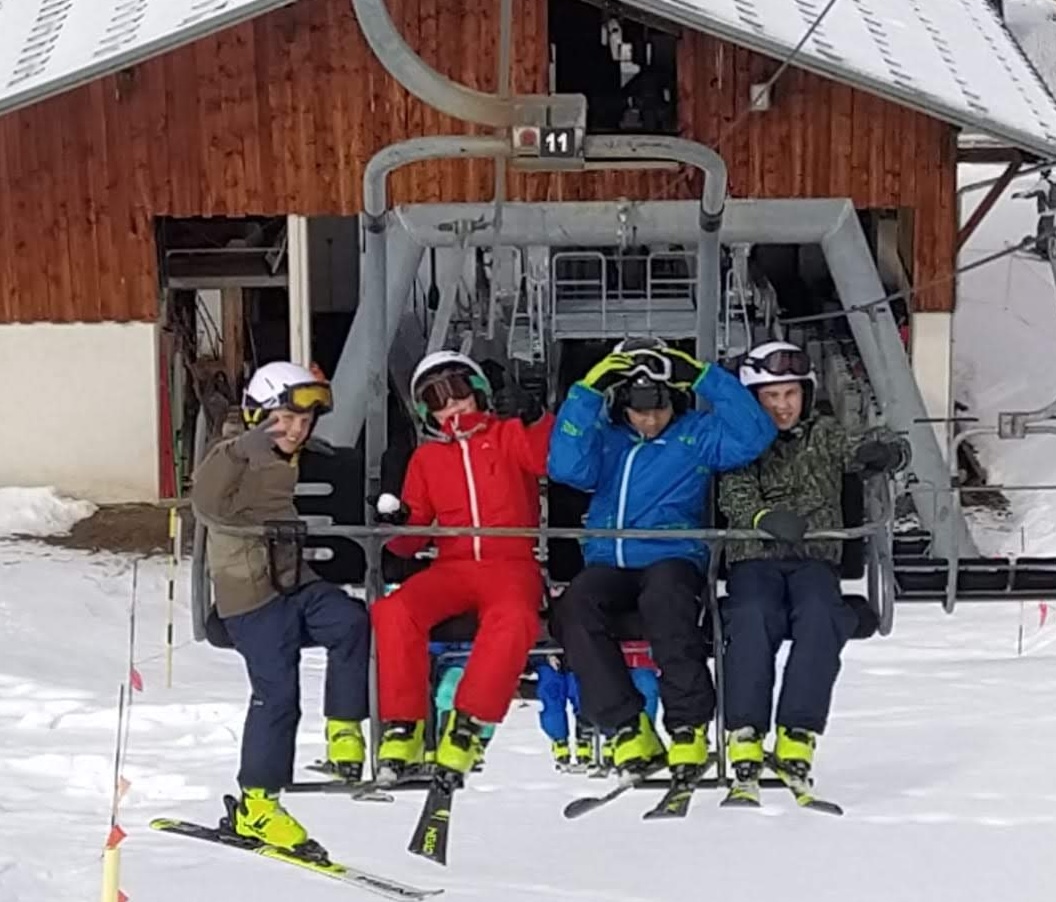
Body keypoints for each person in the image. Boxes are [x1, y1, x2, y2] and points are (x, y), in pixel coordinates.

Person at [547, 337, 777, 778]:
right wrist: (588, 390)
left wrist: (703, 376)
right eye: (639, 411)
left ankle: (689, 725)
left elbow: (754, 435)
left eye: (659, 408)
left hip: (671, 555)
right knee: (574, 607)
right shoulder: (607, 440)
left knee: (666, 604)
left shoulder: (695, 436)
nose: (650, 420)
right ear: (622, 406)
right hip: (609, 560)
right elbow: (566, 467)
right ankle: (626, 726)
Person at [191, 361, 370, 857]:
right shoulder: (233, 452)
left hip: (293, 582)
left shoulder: (284, 452)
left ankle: (344, 730)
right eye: (285, 419)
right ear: (257, 415)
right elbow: (205, 502)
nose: (295, 430)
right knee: (278, 692)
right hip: (249, 597)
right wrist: (242, 448)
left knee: (350, 621)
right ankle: (258, 804)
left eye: (304, 422)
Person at [718, 340, 910, 794]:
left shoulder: (823, 435)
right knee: (752, 616)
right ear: (755, 400)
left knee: (824, 615)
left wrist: (887, 453)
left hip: (814, 559)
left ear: (805, 394)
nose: (783, 406)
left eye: (790, 394)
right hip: (756, 557)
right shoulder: (741, 440)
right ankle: (744, 732)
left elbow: (874, 444)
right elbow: (733, 493)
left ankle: (797, 733)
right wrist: (763, 519)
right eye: (771, 396)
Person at [370, 351, 554, 786]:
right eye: (437, 400)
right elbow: (411, 542)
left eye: (458, 392)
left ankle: (470, 721)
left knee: (513, 618)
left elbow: (548, 460)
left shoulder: (508, 436)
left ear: (479, 393)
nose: (452, 406)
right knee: (394, 610)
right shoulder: (427, 459)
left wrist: (534, 418)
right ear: (427, 413)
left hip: (510, 562)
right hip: (452, 567)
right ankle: (404, 724)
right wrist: (396, 525)